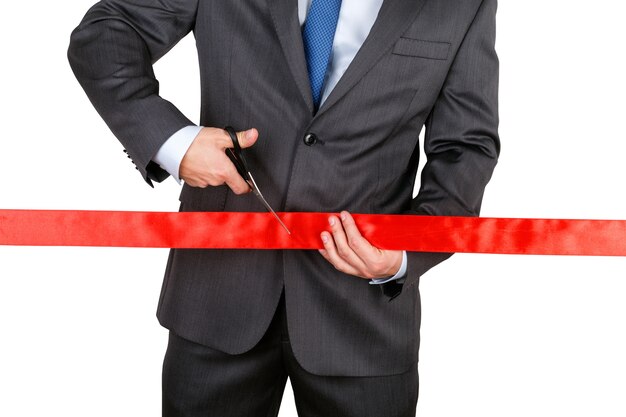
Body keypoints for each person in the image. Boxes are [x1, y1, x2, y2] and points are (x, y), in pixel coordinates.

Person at [68, 0, 500, 415]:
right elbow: (108, 31)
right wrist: (175, 144)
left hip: (364, 326)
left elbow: (466, 147)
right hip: (215, 302)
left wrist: (405, 254)